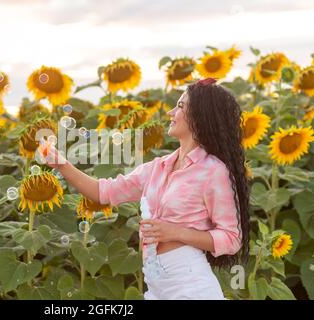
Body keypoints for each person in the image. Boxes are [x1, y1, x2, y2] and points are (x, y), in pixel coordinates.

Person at [41, 78, 250, 300]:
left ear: (200, 116)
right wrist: (61, 163)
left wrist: (175, 232)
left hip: (189, 284)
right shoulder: (157, 168)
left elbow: (231, 238)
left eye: (179, 106)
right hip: (156, 285)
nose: (170, 113)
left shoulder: (213, 171)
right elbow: (103, 193)